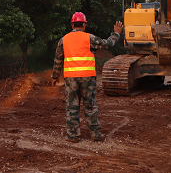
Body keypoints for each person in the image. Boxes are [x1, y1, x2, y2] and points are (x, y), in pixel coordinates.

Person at [51, 12, 123, 142]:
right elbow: (108, 43)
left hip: (71, 78)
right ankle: (95, 133)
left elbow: (58, 59)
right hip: (87, 78)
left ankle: (72, 135)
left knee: (72, 106)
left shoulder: (64, 39)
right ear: (84, 25)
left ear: (72, 24)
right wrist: (116, 33)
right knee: (90, 105)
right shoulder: (89, 38)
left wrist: (55, 76)